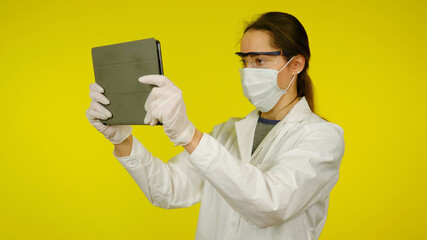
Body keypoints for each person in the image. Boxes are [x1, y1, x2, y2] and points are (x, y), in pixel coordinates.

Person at [86, 12, 345, 240]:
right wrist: (123, 140)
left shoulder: (322, 138)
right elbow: (169, 190)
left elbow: (271, 204)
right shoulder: (227, 132)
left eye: (260, 61)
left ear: (296, 64)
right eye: (244, 61)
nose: (248, 71)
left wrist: (189, 136)